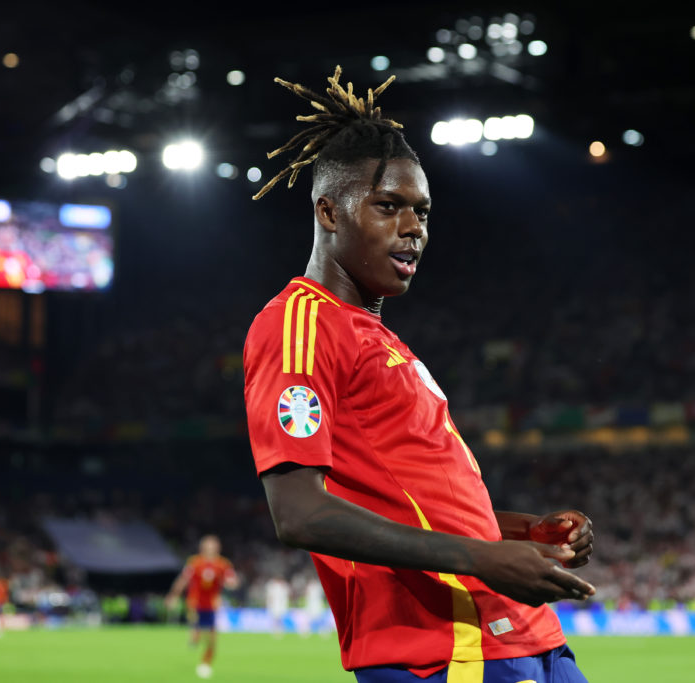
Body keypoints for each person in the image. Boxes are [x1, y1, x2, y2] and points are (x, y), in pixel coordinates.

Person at [244, 66, 597, 683]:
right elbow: (298, 513)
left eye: (423, 213)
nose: (414, 229)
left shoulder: (380, 339)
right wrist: (483, 557)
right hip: (442, 651)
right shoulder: (299, 326)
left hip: (522, 637)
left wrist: (522, 530)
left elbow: (421, 503)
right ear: (329, 212)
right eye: (389, 207)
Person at [166, 535, 240, 679]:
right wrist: (173, 595)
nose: (211, 549)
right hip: (195, 603)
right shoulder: (195, 562)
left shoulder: (223, 564)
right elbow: (183, 580)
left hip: (212, 605)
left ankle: (205, 663)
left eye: (213, 546)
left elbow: (232, 580)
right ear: (202, 547)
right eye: (208, 546)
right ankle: (195, 634)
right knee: (198, 631)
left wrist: (233, 584)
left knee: (212, 640)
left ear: (218, 548)